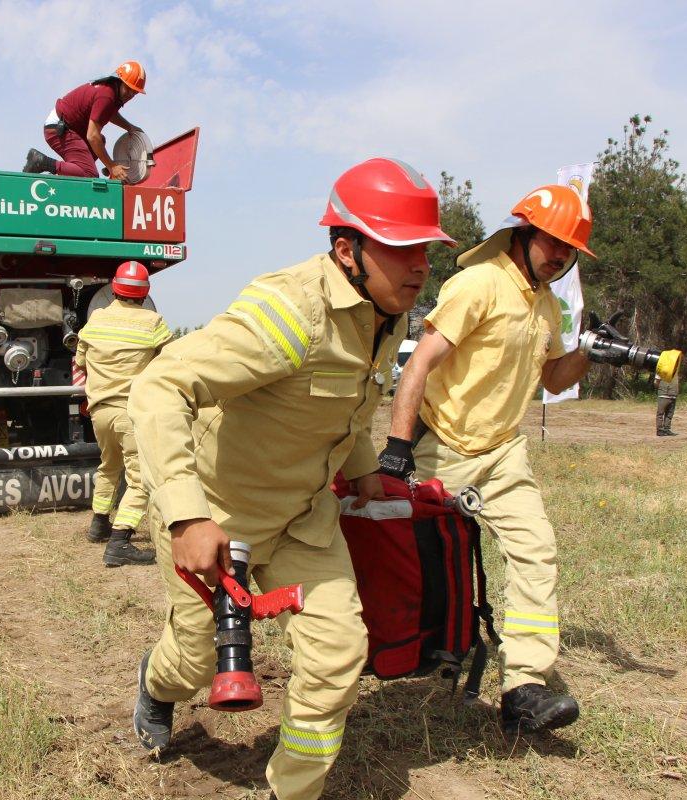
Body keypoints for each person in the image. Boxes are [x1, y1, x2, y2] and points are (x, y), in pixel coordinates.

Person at [127, 158, 454, 800]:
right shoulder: (289, 312)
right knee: (192, 661)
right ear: (347, 249)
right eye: (401, 248)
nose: (420, 266)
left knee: (337, 657)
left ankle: (293, 790)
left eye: (424, 250)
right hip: (220, 521)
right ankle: (154, 684)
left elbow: (343, 411)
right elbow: (159, 386)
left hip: (305, 519)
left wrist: (364, 475)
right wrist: (189, 516)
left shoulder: (384, 315)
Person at [380, 184, 603, 735]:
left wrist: (586, 353)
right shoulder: (478, 284)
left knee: (536, 550)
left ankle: (523, 685)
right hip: (444, 445)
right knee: (413, 555)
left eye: (568, 250)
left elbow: (553, 378)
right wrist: (398, 449)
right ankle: (415, 648)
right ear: (523, 234)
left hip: (504, 454)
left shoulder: (547, 305)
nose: (558, 256)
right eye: (553, 243)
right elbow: (419, 366)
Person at [74, 261, 171, 567]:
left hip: (99, 410)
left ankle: (99, 524)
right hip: (130, 412)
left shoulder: (97, 319)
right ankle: (120, 541)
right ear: (145, 293)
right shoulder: (153, 322)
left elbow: (80, 362)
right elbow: (170, 362)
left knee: (108, 466)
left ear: (115, 288)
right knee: (140, 477)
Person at [23, 60, 147, 181]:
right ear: (120, 80)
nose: (130, 95)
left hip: (66, 126)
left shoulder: (113, 92)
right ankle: (41, 162)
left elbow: (109, 113)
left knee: (100, 142)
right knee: (89, 174)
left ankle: (70, 172)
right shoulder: (106, 95)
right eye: (128, 89)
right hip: (58, 129)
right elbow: (92, 136)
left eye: (134, 93)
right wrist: (111, 166)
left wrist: (129, 127)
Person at [655, 372, 679, 436]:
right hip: (663, 395)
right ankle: (659, 430)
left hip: (673, 396)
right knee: (660, 413)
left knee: (669, 414)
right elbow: (656, 382)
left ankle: (666, 429)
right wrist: (662, 390)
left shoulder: (675, 371)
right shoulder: (661, 370)